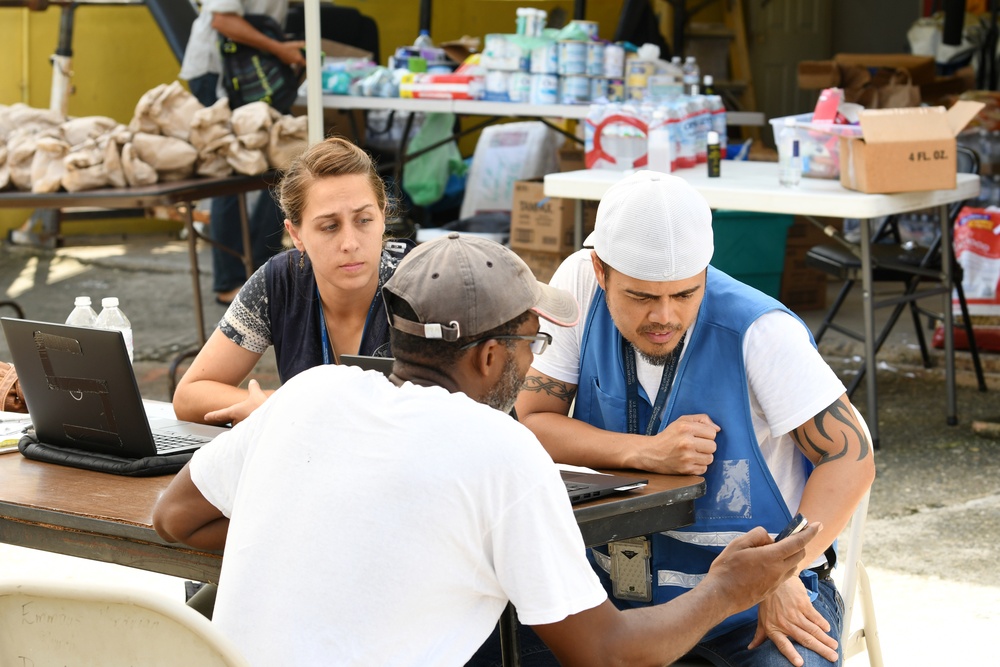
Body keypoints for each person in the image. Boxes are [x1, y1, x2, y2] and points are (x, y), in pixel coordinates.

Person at [153, 233, 823, 667]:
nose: (536, 359)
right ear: (491, 355)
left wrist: (324, 538)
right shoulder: (500, 450)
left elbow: (174, 516)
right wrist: (726, 588)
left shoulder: (309, 392)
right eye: (534, 340)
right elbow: (609, 652)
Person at [513, 171, 876, 667]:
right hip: (612, 594)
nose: (664, 316)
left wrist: (783, 570)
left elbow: (850, 456)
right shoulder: (578, 283)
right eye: (641, 296)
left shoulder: (761, 330)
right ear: (601, 271)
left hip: (751, 603)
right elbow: (533, 420)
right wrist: (643, 450)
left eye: (684, 294)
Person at [173, 137, 411, 426]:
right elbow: (189, 394)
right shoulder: (278, 283)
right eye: (329, 226)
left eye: (364, 220)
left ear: (383, 216)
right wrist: (276, 405)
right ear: (296, 234)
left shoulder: (423, 284)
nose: (350, 243)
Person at [179, 0, 306, 305]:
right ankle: (230, 282)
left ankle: (260, 271)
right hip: (220, 70)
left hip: (256, 63)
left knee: (281, 162)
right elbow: (223, 20)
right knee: (231, 169)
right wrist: (278, 48)